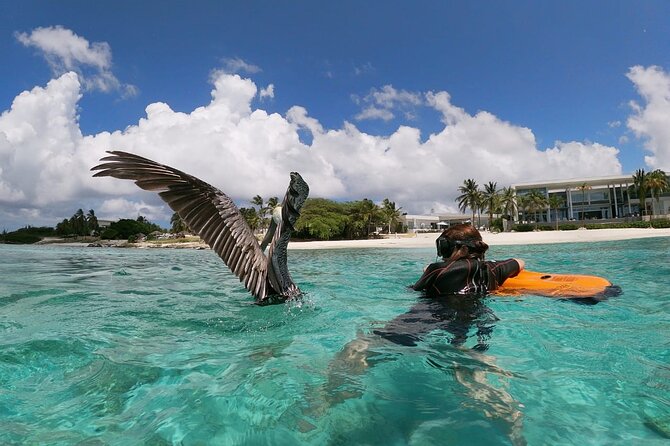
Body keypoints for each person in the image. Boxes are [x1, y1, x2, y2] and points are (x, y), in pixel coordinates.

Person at [412, 223, 524, 296]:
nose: (442, 255)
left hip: (441, 313)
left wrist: (429, 271)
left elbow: (415, 290)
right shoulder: (491, 268)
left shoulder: (437, 270)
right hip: (480, 313)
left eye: (444, 248)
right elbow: (519, 262)